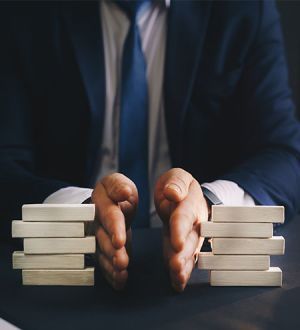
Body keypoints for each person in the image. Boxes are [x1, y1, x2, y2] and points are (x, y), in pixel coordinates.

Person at [1, 0, 300, 292]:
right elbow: (6, 162)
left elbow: (285, 156)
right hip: (65, 280)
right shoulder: (26, 11)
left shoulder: (243, 8)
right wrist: (81, 213)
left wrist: (209, 206)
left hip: (200, 279)